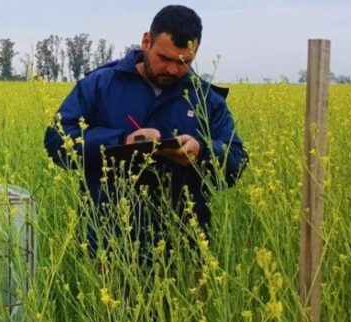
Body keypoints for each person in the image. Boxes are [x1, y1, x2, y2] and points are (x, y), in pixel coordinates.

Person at [44, 5, 247, 256]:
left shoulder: (206, 98)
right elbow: (56, 140)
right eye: (165, 58)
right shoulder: (100, 84)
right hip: (110, 242)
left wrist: (202, 150)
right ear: (146, 41)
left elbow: (236, 159)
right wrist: (121, 141)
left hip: (186, 245)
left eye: (184, 61)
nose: (173, 69)